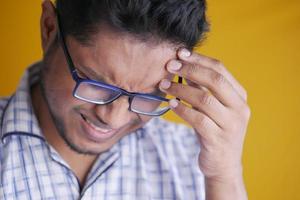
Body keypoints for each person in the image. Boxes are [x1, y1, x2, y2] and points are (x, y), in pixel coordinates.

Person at [0, 0, 250, 199]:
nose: (113, 118)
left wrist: (224, 177)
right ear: (49, 28)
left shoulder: (195, 159)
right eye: (95, 82)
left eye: (150, 94)